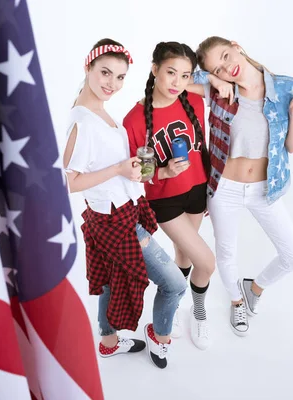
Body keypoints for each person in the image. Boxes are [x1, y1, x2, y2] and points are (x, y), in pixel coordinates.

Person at [63, 38, 187, 369]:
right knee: (174, 284)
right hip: (117, 221)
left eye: (119, 77)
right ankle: (159, 336)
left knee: (109, 278)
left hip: (114, 211)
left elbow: (102, 169)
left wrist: (136, 170)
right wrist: (119, 168)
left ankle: (107, 343)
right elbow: (68, 182)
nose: (112, 84)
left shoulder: (98, 112)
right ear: (88, 68)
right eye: (105, 73)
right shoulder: (83, 122)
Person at [188, 36, 293, 336]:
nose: (226, 68)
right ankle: (235, 301)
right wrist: (211, 80)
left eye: (226, 57)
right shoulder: (218, 89)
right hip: (224, 187)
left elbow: (292, 147)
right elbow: (176, 76)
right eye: (217, 68)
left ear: (236, 46)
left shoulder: (284, 87)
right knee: (226, 254)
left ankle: (253, 288)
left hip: (264, 189)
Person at [123, 42, 215, 350]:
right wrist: (164, 171)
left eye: (185, 75)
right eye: (171, 72)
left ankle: (175, 308)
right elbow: (142, 177)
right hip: (165, 201)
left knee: (185, 254)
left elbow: (220, 82)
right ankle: (198, 311)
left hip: (197, 190)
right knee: (207, 262)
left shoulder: (193, 101)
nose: (177, 82)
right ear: (155, 70)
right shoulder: (134, 120)